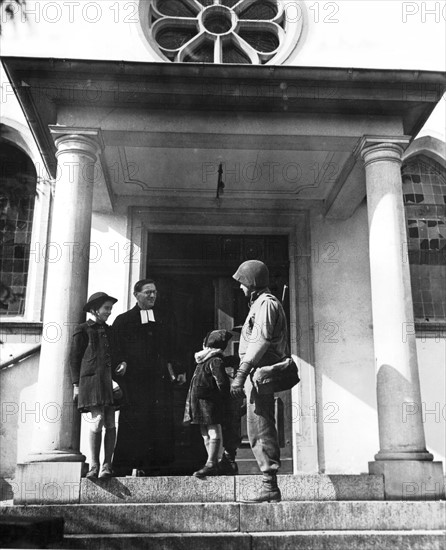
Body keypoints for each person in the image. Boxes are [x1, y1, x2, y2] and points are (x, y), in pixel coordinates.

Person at [230, 260, 288, 502]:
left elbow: (261, 340)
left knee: (261, 427)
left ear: (252, 282)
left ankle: (269, 485)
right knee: (257, 427)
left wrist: (241, 373)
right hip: (257, 373)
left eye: (243, 283)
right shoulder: (260, 304)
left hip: (260, 373)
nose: (241, 288)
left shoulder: (265, 303)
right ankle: (269, 484)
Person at [112, 278, 175, 476]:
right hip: (134, 383)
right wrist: (121, 361)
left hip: (158, 381)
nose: (152, 295)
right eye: (148, 292)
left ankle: (155, 466)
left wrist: (175, 368)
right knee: (133, 422)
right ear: (136, 295)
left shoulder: (163, 318)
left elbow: (171, 347)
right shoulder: (123, 321)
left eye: (154, 292)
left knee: (158, 421)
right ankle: (126, 466)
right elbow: (114, 348)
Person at [70, 292, 127, 480]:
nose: (109, 312)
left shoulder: (111, 331)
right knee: (98, 419)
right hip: (92, 382)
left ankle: (107, 465)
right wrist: (76, 385)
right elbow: (74, 359)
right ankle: (94, 465)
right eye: (106, 308)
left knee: (111, 421)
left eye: (110, 309)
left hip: (110, 382)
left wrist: (123, 363)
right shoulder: (83, 330)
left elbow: (118, 353)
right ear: (95, 309)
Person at [183, 329, 232, 477]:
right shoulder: (203, 360)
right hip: (199, 402)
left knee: (213, 430)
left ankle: (211, 462)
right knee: (205, 433)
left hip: (210, 402)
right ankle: (213, 462)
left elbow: (221, 383)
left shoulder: (215, 360)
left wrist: (222, 398)